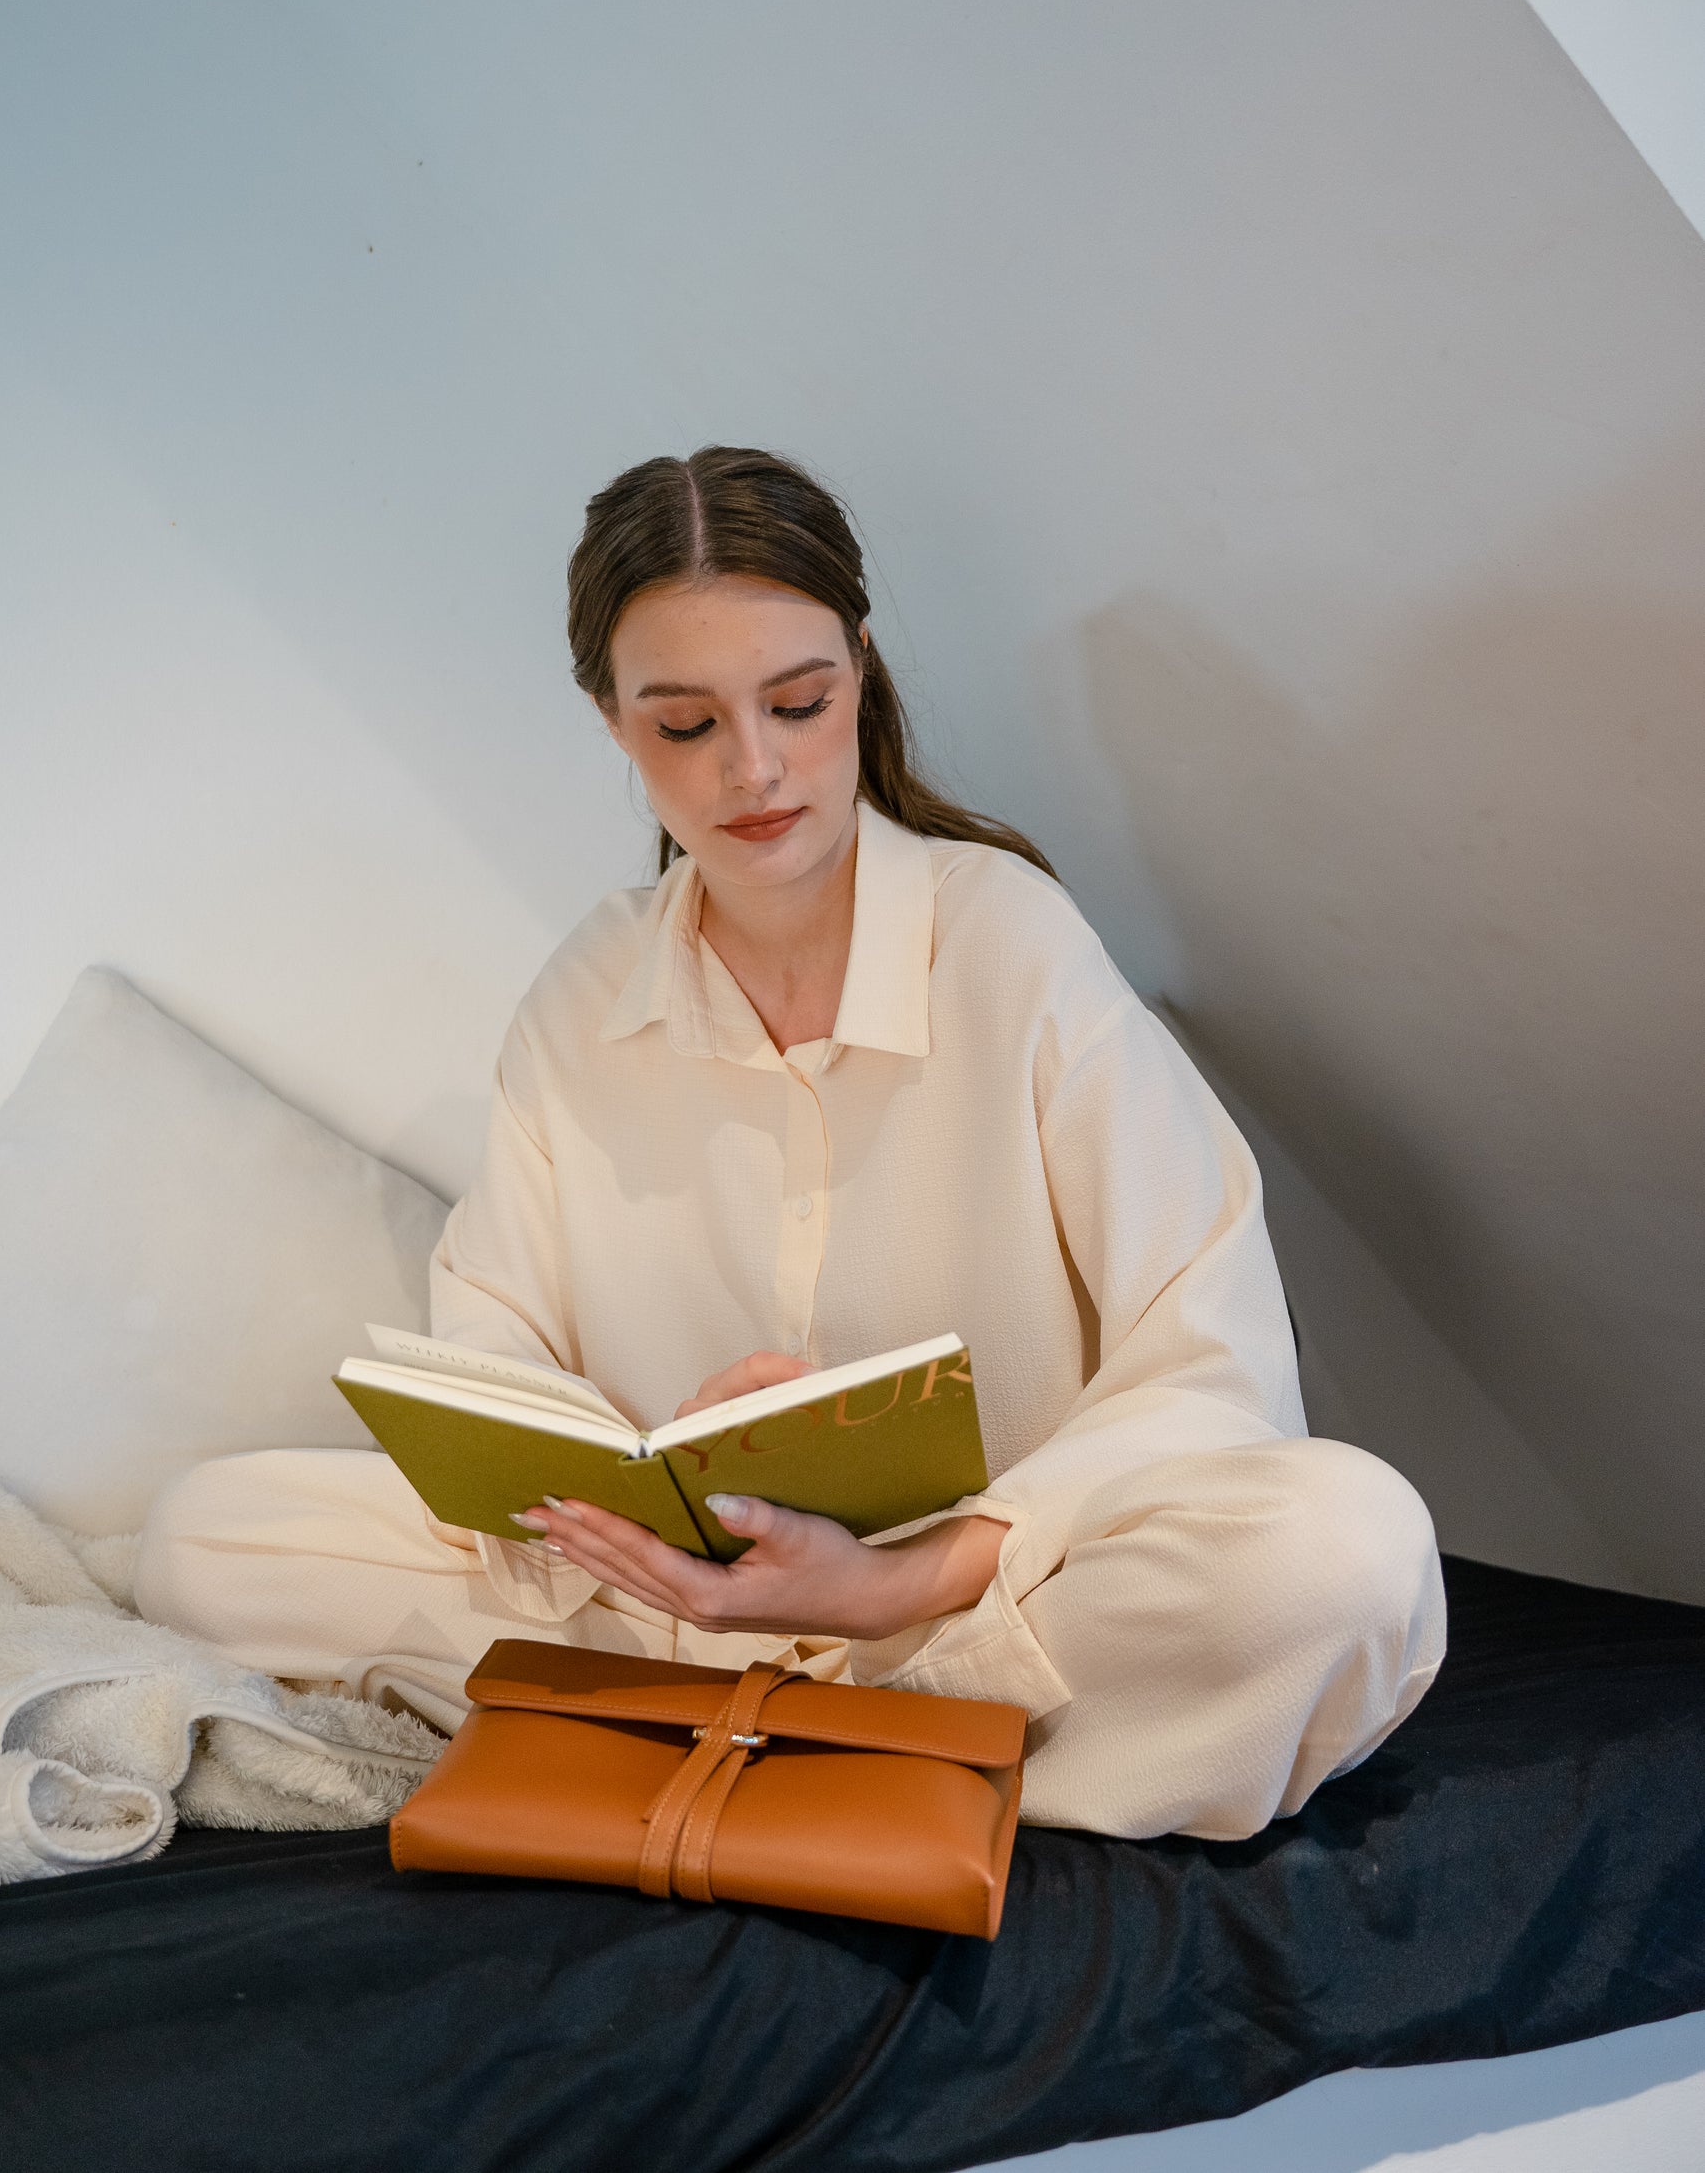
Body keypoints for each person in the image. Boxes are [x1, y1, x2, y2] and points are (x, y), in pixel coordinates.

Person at [137, 446, 1444, 1839]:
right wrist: (643, 1478)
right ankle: (890, 1754)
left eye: (798, 704)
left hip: (964, 1607)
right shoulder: (587, 993)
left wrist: (891, 1581)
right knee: (206, 1539)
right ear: (612, 722)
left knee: (1344, 1550)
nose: (752, 768)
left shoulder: (1008, 941)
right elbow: (492, 1335)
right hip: (665, 1605)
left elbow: (1210, 1361)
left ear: (859, 674)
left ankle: (741, 1737)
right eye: (683, 724)